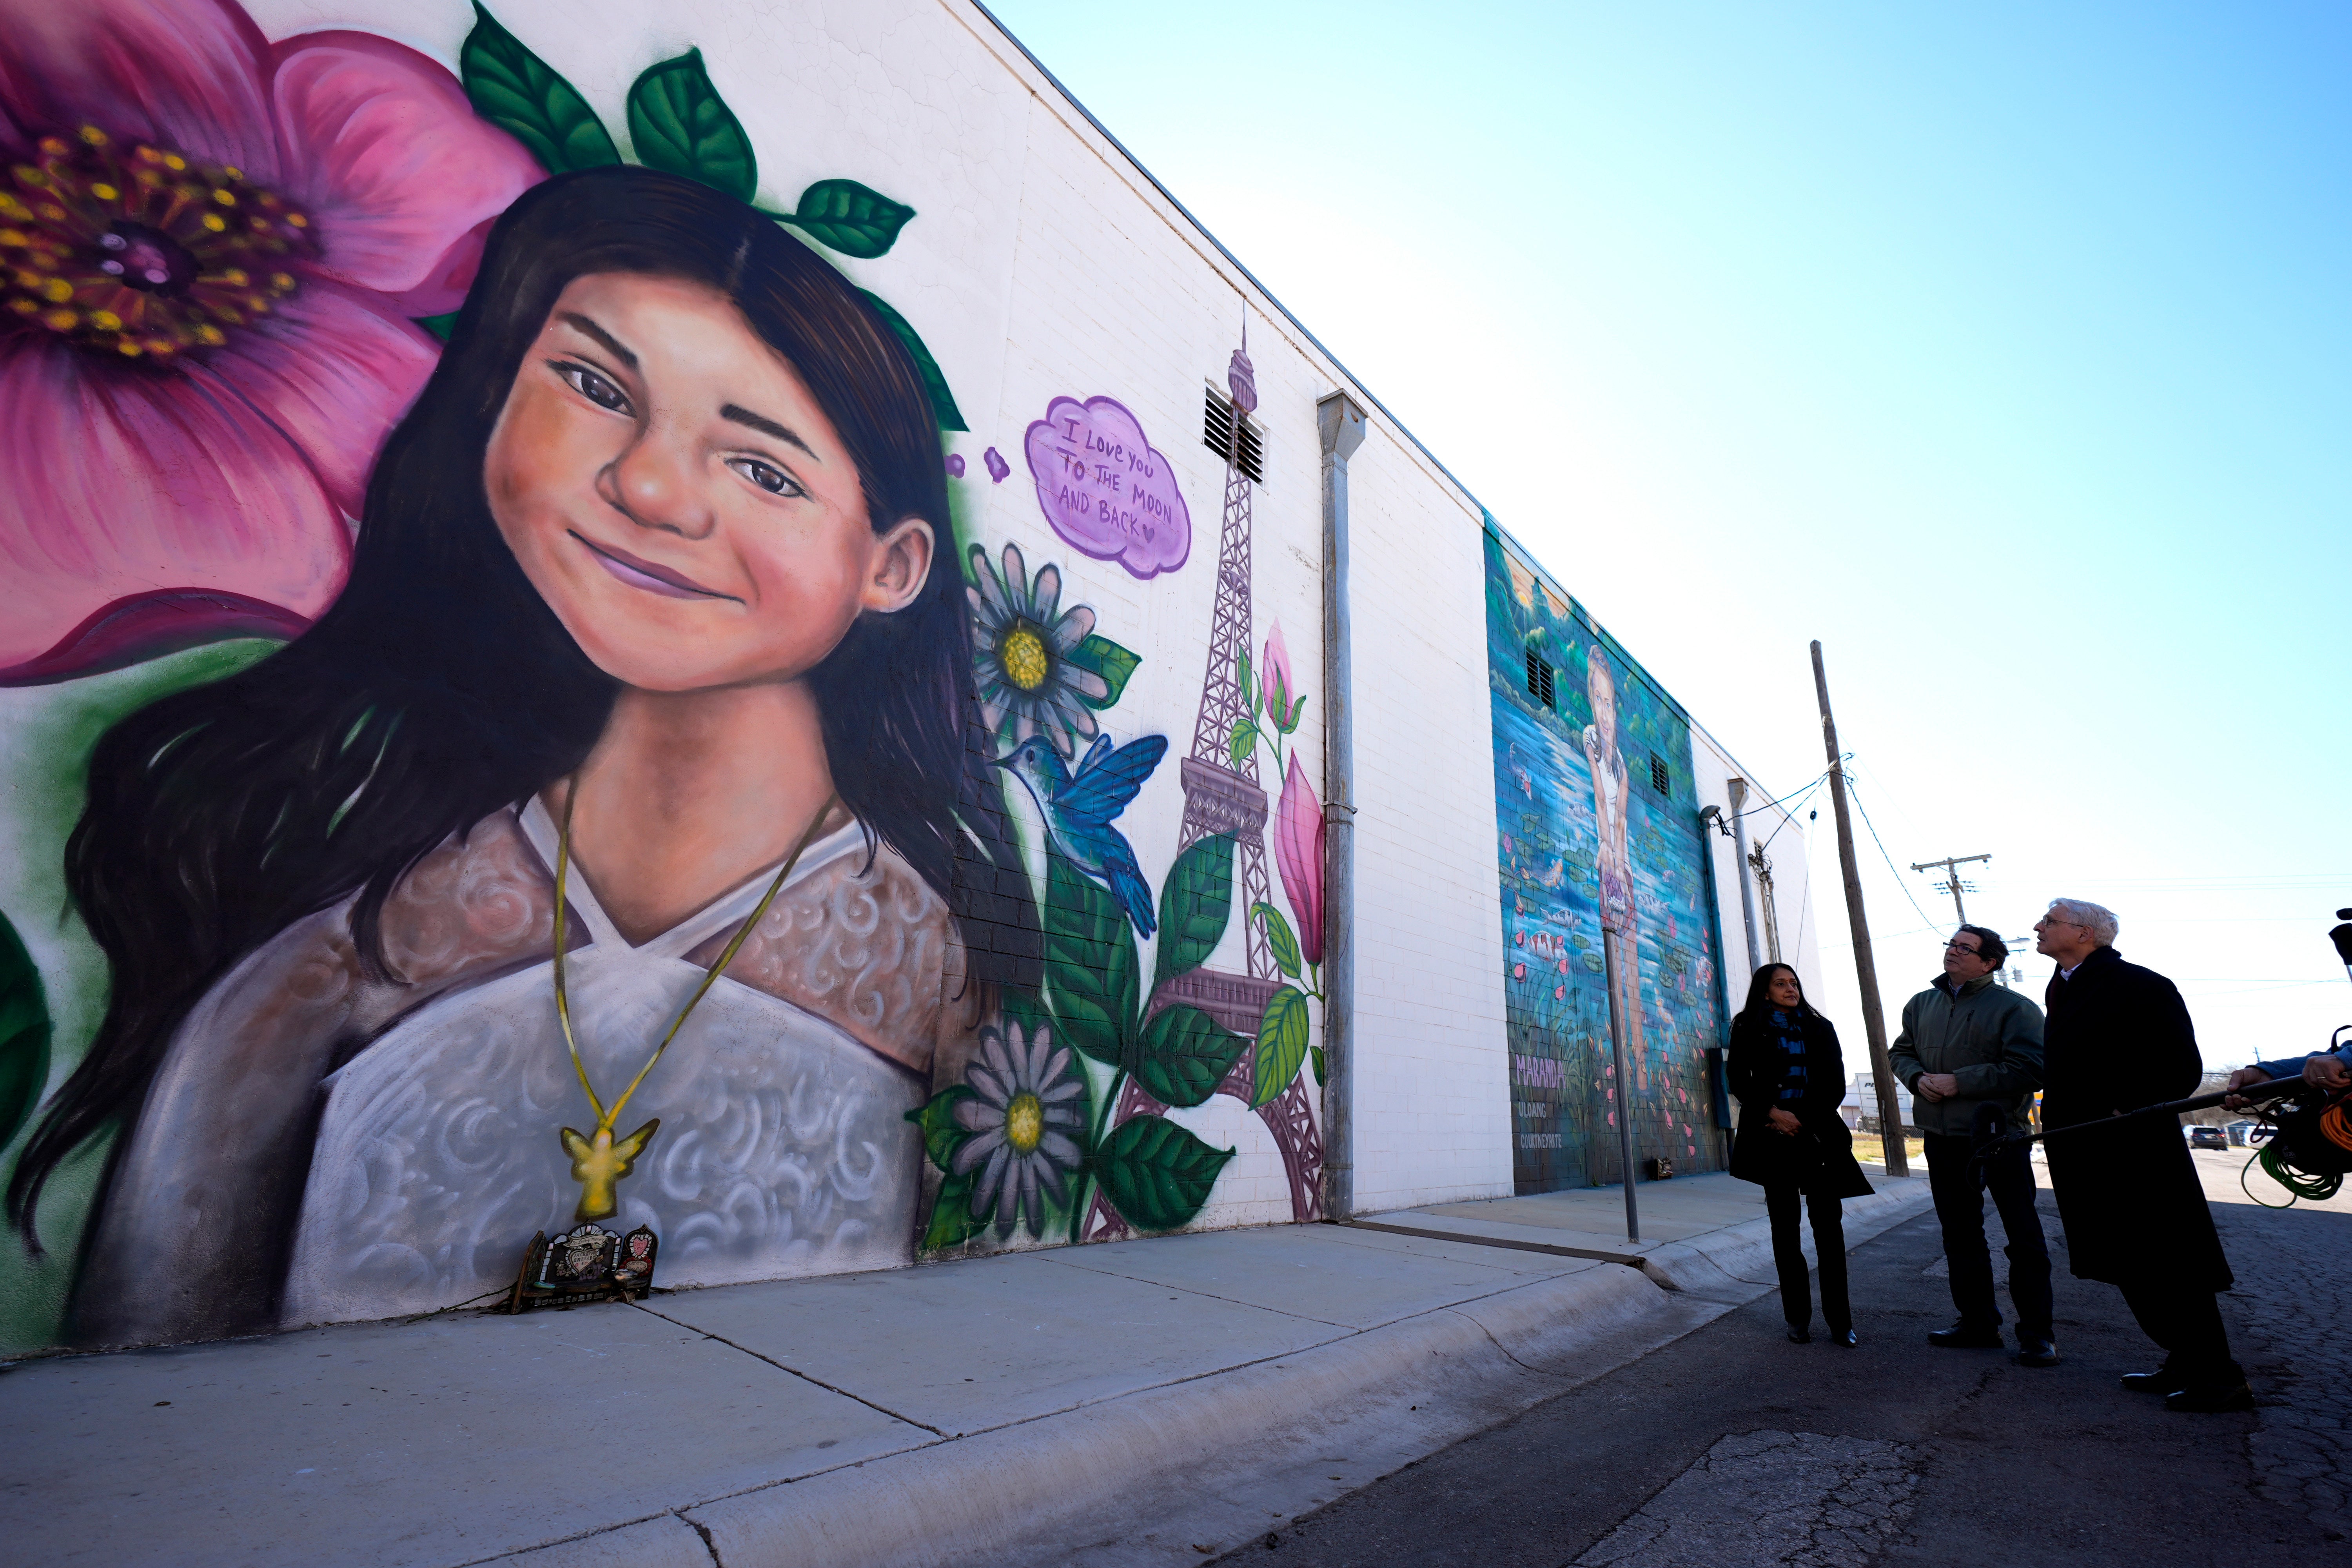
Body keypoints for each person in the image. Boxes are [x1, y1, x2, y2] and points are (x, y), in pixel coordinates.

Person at [5, 167, 1027, 1345]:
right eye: (595, 385)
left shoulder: (950, 967)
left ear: (892, 567)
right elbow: (152, 1370)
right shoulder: (348, 956)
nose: (645, 486)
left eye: (762, 467)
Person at [2034, 898, 2250, 1412]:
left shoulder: (2142, 985)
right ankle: (2185, 1361)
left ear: (2085, 933)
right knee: (2129, 1264)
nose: (2038, 928)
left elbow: (2181, 1070)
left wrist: (2121, 1109)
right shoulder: (2063, 986)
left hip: (2134, 1155)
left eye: (2049, 921)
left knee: (2169, 1264)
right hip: (2084, 1152)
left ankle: (2221, 1377)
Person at [1889, 925, 2054, 1365]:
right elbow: (1900, 1052)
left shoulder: (2015, 1008)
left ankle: (2037, 1334)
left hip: (2000, 1136)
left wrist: (1959, 1082)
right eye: (1951, 945)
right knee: (1960, 1235)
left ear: (1990, 962)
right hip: (1942, 1139)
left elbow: (2031, 1068)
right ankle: (1977, 1322)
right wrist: (1917, 1078)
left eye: (1966, 948)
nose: (1953, 953)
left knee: (2023, 1237)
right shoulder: (1921, 1003)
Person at [1727, 963, 1873, 1346]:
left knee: (1829, 1231)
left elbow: (1834, 1086)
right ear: (1765, 991)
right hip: (1771, 1140)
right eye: (1781, 984)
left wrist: (1800, 1120)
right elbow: (1739, 1079)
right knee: (1785, 1232)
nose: (1791, 989)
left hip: (1817, 1140)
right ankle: (1797, 1320)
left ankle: (1841, 1323)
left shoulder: (1820, 1027)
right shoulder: (1747, 1026)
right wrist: (1774, 1114)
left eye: (1794, 983)